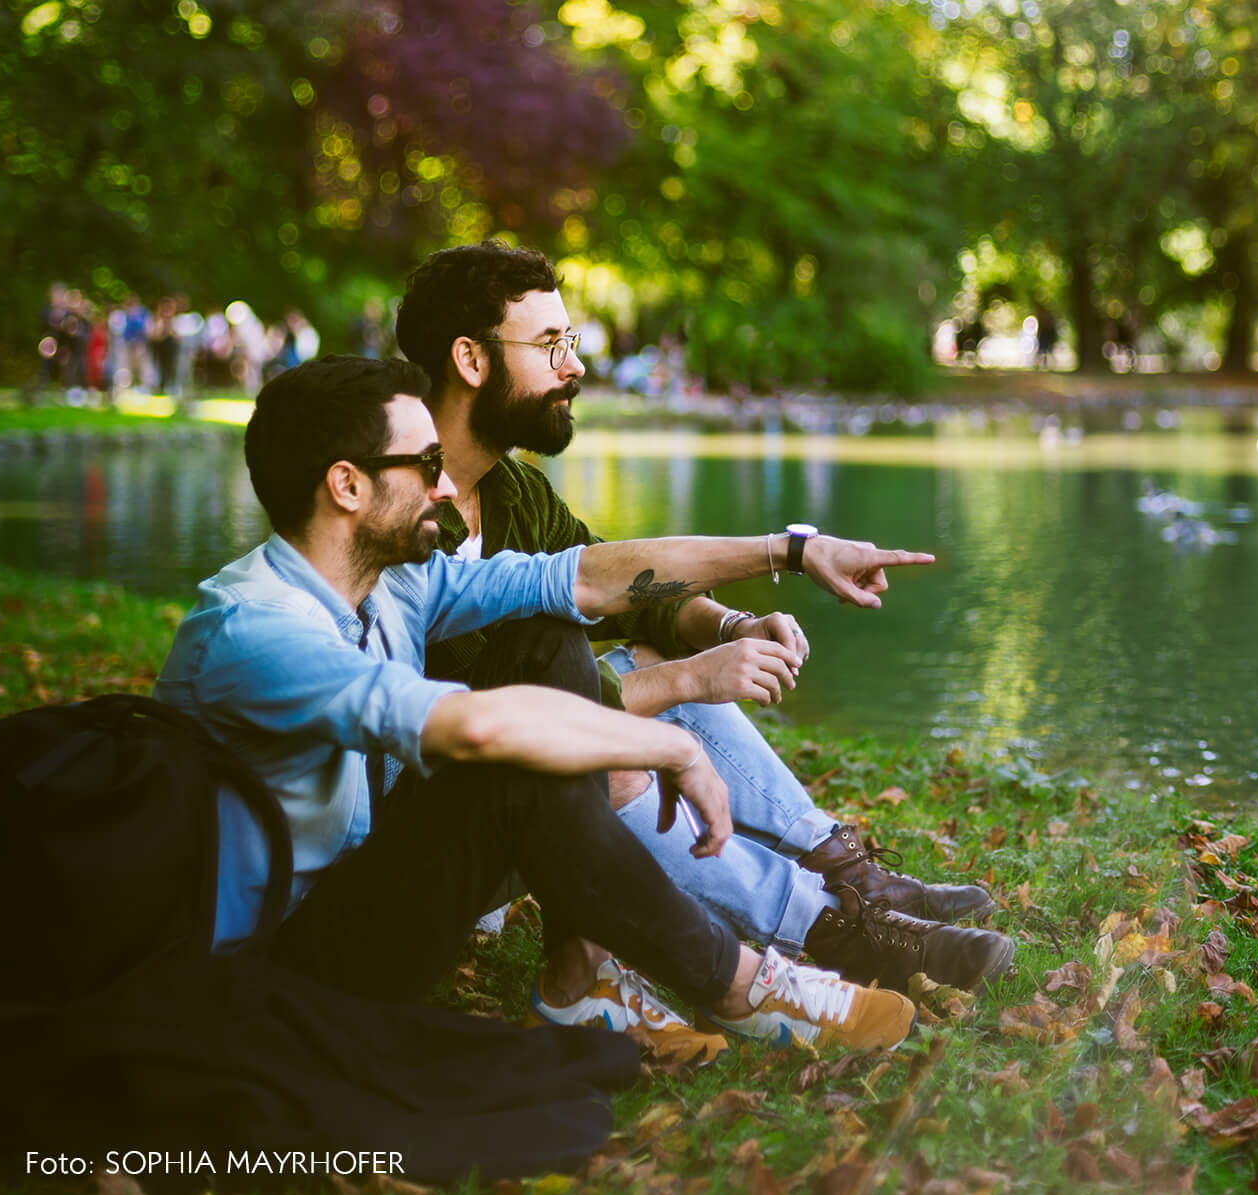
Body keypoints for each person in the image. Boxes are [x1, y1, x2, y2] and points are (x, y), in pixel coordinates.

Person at [154, 355, 924, 1055]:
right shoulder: (254, 629)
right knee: (509, 763)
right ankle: (744, 983)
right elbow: (476, 726)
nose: (448, 486)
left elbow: (587, 577)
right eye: (425, 465)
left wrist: (788, 549)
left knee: (549, 635)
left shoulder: (393, 585)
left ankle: (581, 983)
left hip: (377, 892)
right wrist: (671, 745)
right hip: (277, 973)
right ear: (347, 484)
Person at [391, 245, 1010, 1009]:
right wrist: (692, 675)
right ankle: (836, 931)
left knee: (650, 655)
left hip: (521, 798)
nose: (574, 367)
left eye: (570, 342)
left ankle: (848, 873)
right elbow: (510, 717)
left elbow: (629, 591)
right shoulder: (399, 522)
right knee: (620, 729)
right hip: (456, 829)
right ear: (470, 359)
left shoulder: (512, 492)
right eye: (549, 344)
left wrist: (730, 624)